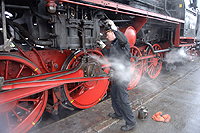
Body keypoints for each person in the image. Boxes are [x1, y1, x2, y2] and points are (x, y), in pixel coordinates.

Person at [97, 19, 137, 131]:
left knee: (123, 99)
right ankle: (118, 113)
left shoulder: (123, 44)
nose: (107, 34)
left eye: (109, 32)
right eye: (107, 33)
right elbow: (109, 56)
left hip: (123, 76)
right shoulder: (114, 45)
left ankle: (131, 122)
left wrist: (115, 28)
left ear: (113, 34)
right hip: (117, 75)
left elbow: (124, 40)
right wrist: (102, 46)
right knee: (114, 94)